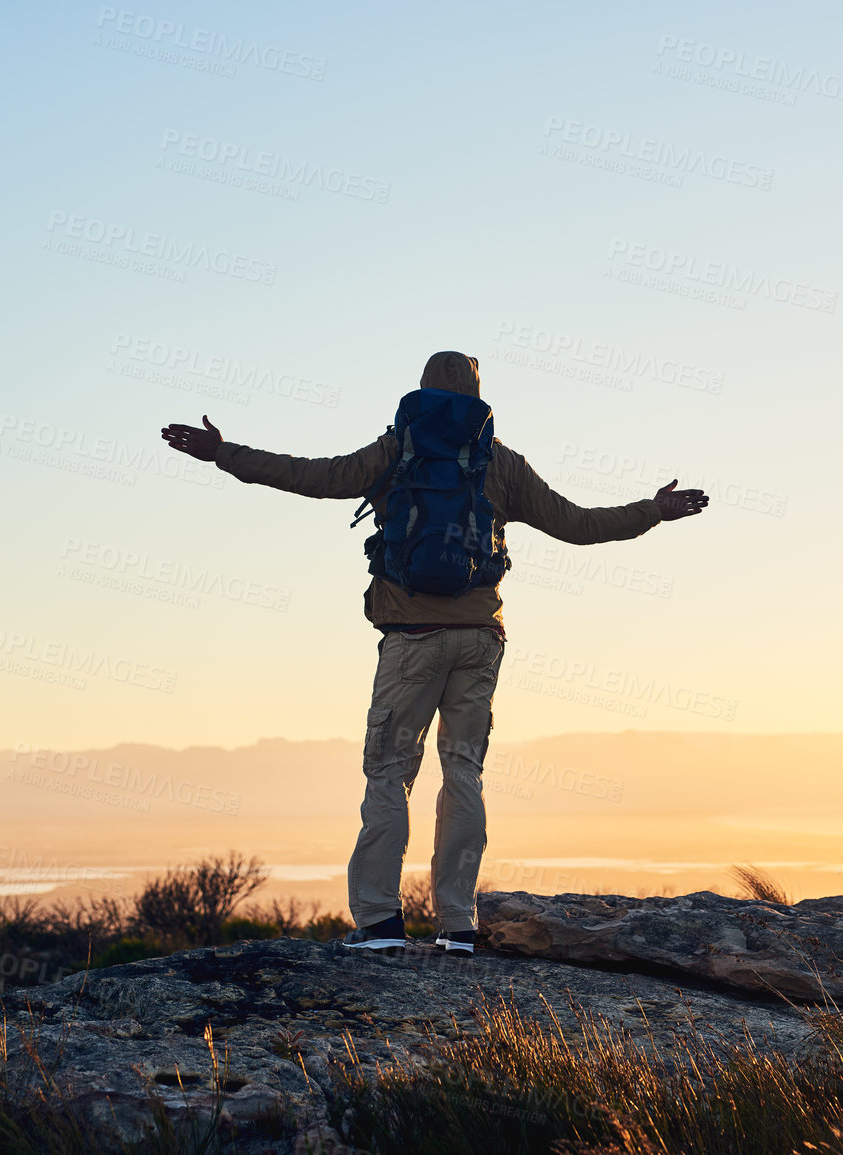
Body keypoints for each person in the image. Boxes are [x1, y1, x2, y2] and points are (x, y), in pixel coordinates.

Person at [161, 351, 707, 955]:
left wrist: (224, 454)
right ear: (478, 394)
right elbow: (576, 524)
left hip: (411, 636)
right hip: (480, 639)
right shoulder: (499, 462)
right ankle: (457, 926)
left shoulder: (397, 450)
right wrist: (652, 512)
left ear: (420, 389)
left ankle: (378, 923)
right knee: (464, 772)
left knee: (390, 773)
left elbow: (313, 477)